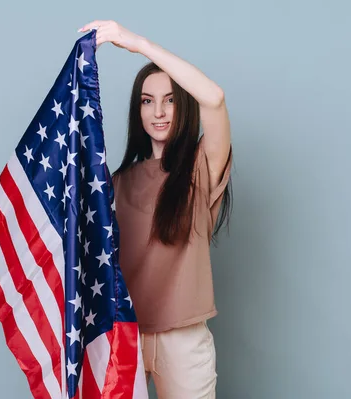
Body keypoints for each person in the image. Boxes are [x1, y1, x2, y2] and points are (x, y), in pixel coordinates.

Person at [78, 20, 233, 399]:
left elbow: (213, 97)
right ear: (138, 110)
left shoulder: (201, 166)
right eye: (148, 100)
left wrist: (137, 44)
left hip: (183, 340)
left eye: (170, 100)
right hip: (123, 335)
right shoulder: (116, 183)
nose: (159, 112)